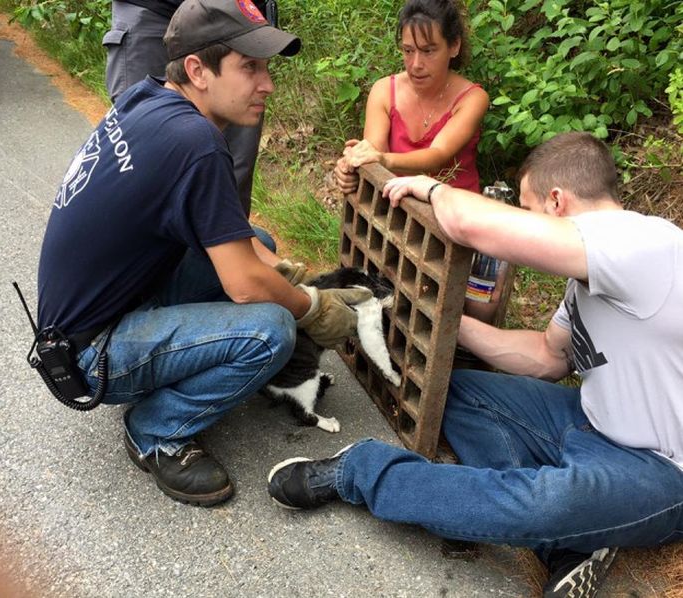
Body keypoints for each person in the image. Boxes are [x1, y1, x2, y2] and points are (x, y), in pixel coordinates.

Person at [267, 132, 683, 597]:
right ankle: (574, 543)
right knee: (454, 390)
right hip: (587, 420)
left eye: (526, 210)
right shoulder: (592, 277)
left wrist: (432, 189)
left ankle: (360, 471)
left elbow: (468, 223)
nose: (523, 221)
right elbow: (547, 358)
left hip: (661, 468)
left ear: (557, 201)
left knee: (542, 503)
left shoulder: (644, 243)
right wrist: (442, 322)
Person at [37, 0, 372, 508]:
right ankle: (156, 431)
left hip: (91, 316)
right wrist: (311, 307)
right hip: (91, 353)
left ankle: (193, 361)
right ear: (197, 70)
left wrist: (290, 278)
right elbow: (243, 284)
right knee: (271, 332)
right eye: (249, 67)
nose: (268, 85)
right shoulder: (196, 142)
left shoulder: (149, 98)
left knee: (259, 245)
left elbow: (241, 252)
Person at [103, 0, 279, 216]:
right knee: (142, 158)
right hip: (152, 11)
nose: (269, 87)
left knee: (231, 173)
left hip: (238, 16)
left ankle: (226, 242)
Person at [334, 0, 489, 196]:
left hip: (456, 212)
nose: (416, 64)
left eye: (428, 51)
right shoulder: (384, 91)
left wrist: (383, 159)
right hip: (396, 208)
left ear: (454, 46)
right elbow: (373, 154)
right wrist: (352, 166)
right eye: (408, 51)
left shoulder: (472, 98)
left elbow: (437, 156)